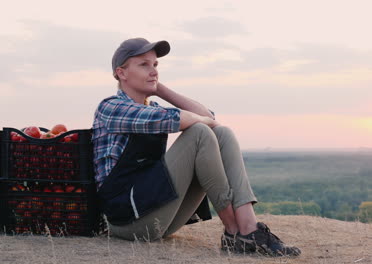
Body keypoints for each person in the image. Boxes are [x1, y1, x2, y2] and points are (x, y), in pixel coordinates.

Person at [91, 37, 301, 257]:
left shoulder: (151, 106)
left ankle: (248, 228)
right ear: (121, 73)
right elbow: (182, 119)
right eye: (144, 65)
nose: (153, 71)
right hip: (126, 220)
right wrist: (206, 121)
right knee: (200, 132)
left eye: (155, 65)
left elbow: (208, 118)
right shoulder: (111, 108)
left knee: (222, 133)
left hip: (155, 212)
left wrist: (158, 89)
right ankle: (233, 229)